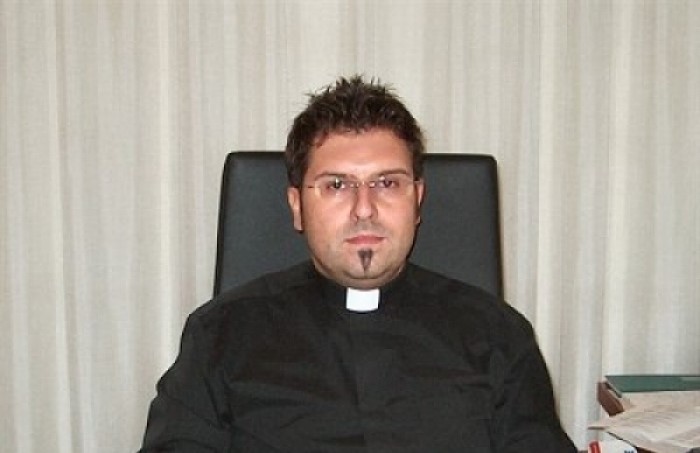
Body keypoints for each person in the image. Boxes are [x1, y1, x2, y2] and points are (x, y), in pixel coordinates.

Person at [139, 76, 577, 452]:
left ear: (417, 199)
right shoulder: (219, 336)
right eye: (337, 185)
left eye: (387, 183)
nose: (364, 208)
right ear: (296, 205)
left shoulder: (498, 335)